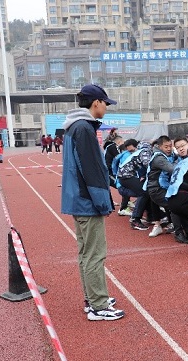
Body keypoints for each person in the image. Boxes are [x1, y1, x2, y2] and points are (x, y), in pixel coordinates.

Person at [61, 84, 124, 321]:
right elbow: (91, 170)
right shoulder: (84, 129)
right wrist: (102, 201)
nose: (106, 107)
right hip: (87, 201)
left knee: (86, 253)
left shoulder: (74, 127)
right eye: (105, 103)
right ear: (95, 103)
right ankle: (98, 305)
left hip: (79, 199)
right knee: (95, 254)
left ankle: (93, 299)